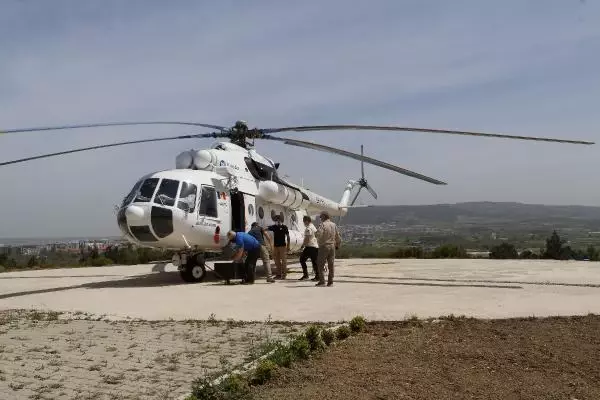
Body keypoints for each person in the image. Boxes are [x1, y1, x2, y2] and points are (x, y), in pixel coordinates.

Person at [315, 211, 341, 287]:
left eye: (321, 217)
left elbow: (319, 234)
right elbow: (338, 236)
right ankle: (330, 282)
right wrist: (338, 245)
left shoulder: (322, 225)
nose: (320, 218)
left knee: (320, 264)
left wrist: (316, 235)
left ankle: (322, 281)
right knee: (331, 264)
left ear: (324, 217)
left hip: (324, 246)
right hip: (332, 246)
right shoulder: (333, 225)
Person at [268, 215, 290, 279]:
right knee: (276, 260)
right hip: (276, 246)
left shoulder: (284, 227)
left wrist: (288, 245)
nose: (277, 221)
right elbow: (266, 228)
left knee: (284, 260)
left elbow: (288, 236)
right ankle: (278, 274)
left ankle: (284, 274)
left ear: (280, 220)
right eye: (276, 220)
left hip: (283, 246)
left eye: (278, 220)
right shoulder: (274, 227)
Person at [299, 215, 319, 281]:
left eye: (304, 222)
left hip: (310, 247)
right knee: (314, 262)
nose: (304, 223)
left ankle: (306, 275)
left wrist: (303, 245)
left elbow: (307, 238)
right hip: (315, 246)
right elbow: (316, 235)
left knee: (302, 260)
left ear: (307, 221)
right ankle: (317, 276)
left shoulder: (308, 228)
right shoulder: (313, 226)